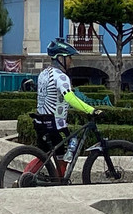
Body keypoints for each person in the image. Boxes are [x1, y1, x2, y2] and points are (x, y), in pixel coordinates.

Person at [34, 38, 101, 174]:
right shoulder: (61, 76)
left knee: (42, 156)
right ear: (60, 58)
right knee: (65, 155)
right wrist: (91, 110)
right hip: (55, 125)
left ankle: (22, 179)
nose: (71, 61)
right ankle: (59, 182)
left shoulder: (43, 74)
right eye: (69, 57)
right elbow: (69, 97)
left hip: (40, 121)